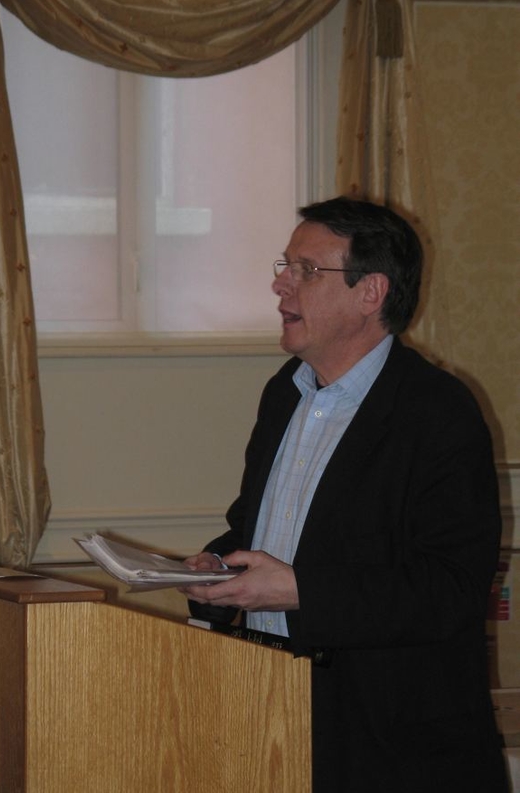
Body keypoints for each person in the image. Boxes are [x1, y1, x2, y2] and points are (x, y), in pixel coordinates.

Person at [183, 197, 508, 792]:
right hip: (270, 718)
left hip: (392, 747)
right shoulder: (285, 393)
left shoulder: (438, 413)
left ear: (370, 293)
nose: (281, 285)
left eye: (305, 269)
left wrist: (298, 589)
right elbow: (255, 529)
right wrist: (214, 571)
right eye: (284, 265)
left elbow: (450, 590)